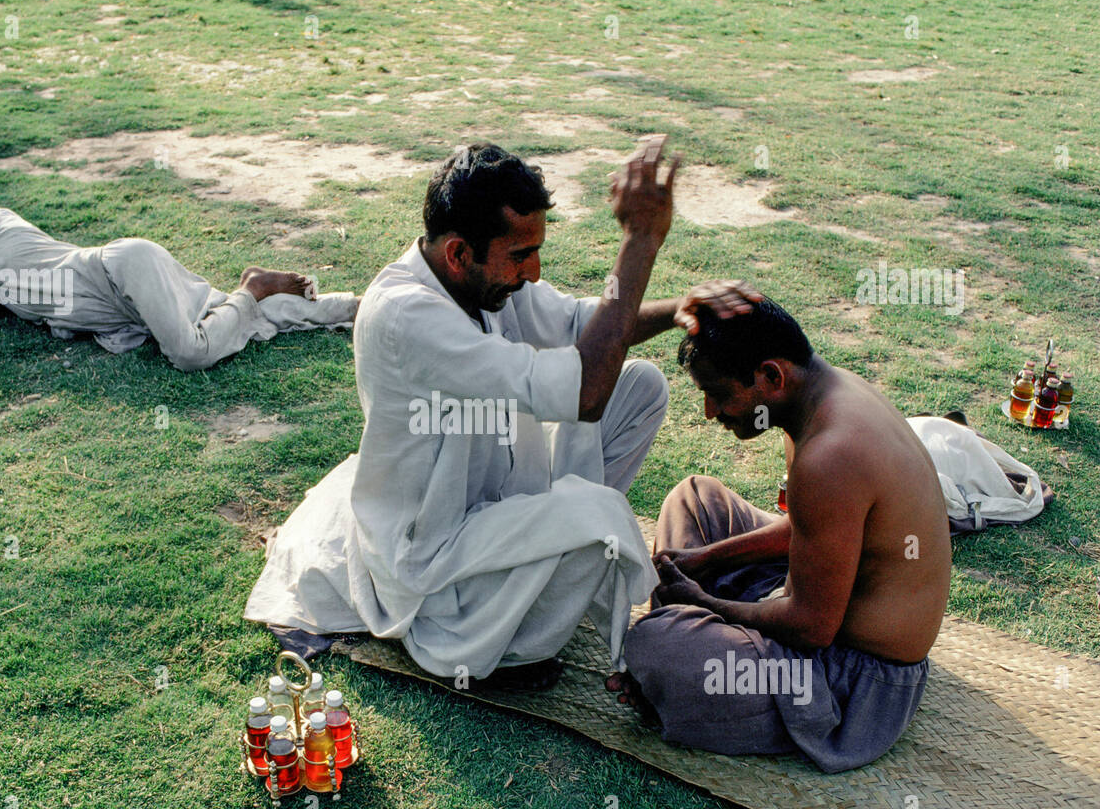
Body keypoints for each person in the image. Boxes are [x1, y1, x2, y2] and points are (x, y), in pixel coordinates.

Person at [247, 136, 753, 689]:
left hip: (499, 493)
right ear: (459, 253)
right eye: (520, 255)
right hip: (437, 549)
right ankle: (499, 644)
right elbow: (584, 392)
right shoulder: (406, 315)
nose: (533, 273)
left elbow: (586, 329)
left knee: (640, 387)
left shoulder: (486, 282)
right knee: (601, 517)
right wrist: (640, 243)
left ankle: (543, 567)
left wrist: (680, 309)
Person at [607, 296, 951, 772]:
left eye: (719, 393)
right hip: (812, 606)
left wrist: (703, 602)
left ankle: (678, 664)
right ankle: (687, 651)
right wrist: (705, 560)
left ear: (771, 376)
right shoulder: (817, 394)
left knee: (655, 649)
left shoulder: (831, 455)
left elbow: (812, 629)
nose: (710, 412)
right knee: (695, 498)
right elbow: (808, 528)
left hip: (847, 678)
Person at [0, 206, 358, 371]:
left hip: (120, 267)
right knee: (248, 321)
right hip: (122, 304)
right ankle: (363, 306)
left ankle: (253, 285)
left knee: (191, 354)